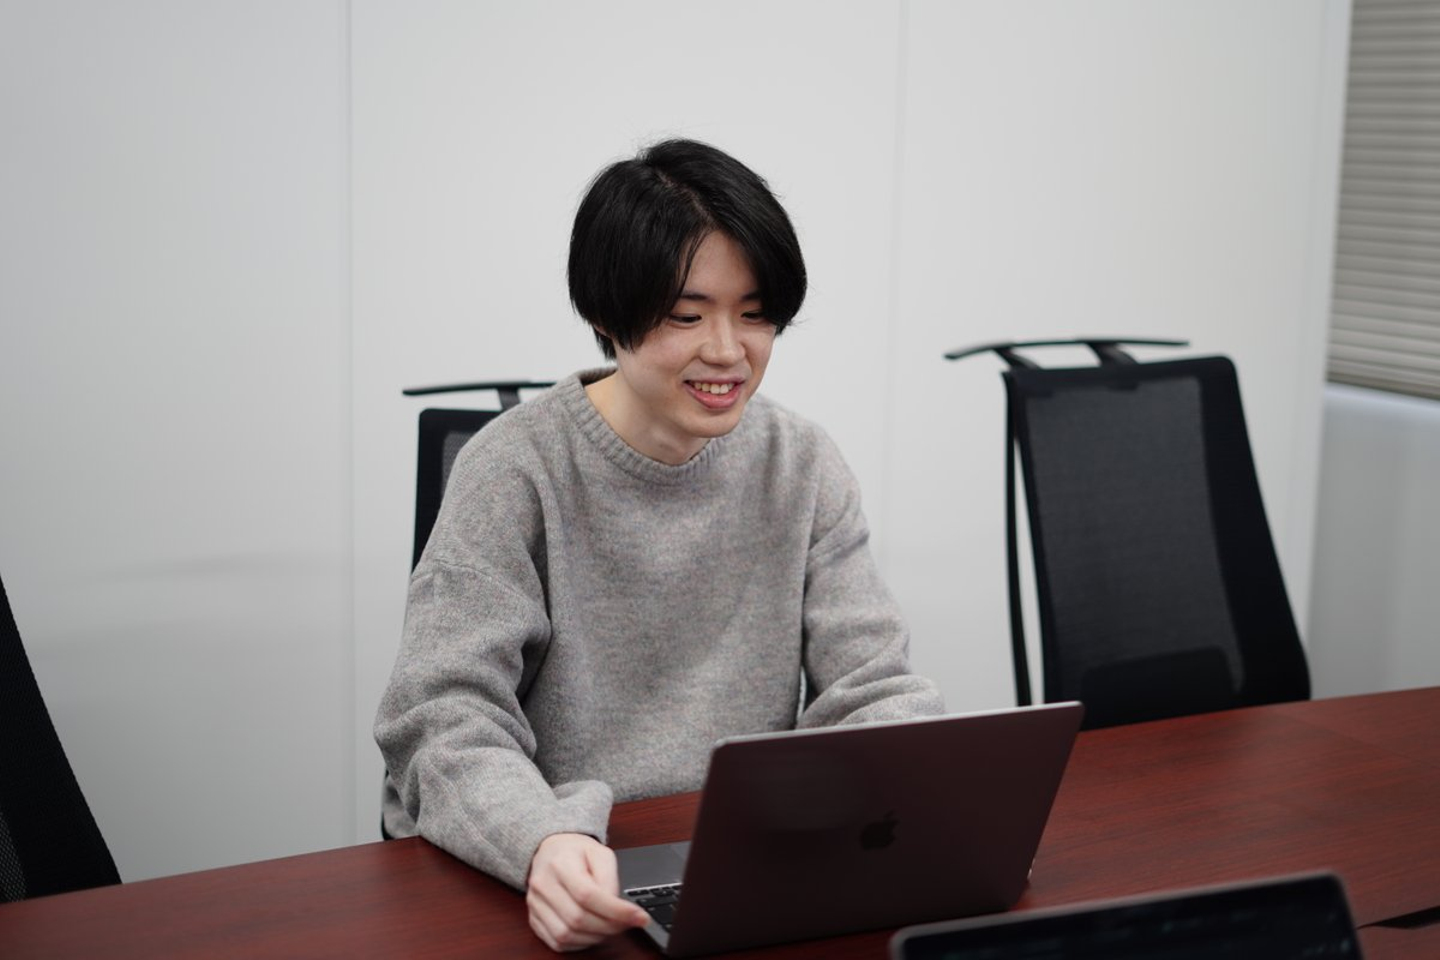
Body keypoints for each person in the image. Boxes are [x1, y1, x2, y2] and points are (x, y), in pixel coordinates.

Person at [374, 138, 944, 952]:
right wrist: (542, 840)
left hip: (742, 863)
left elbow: (874, 685)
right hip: (564, 870)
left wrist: (918, 795)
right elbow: (441, 716)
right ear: (607, 316)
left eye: (754, 313)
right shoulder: (513, 469)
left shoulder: (802, 463)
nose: (728, 350)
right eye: (687, 315)